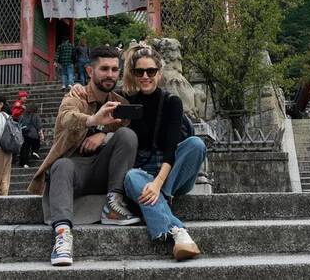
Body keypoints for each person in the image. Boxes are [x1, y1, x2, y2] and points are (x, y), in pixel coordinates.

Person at [27, 45, 140, 267]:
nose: (110, 75)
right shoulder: (75, 96)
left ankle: (113, 206)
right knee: (61, 165)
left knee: (127, 135)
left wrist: (103, 135)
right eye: (104, 69)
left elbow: (125, 131)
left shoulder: (121, 103)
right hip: (74, 171)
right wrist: (93, 120)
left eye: (114, 69)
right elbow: (67, 117)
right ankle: (62, 236)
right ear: (89, 71)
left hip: (104, 171)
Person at [122, 45, 206, 261]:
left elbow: (171, 148)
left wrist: (158, 184)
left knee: (196, 144)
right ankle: (178, 232)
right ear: (133, 74)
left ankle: (162, 197)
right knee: (130, 177)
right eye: (139, 71)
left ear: (159, 73)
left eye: (151, 71)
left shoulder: (172, 102)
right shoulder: (127, 102)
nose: (145, 76)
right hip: (142, 173)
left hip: (172, 173)